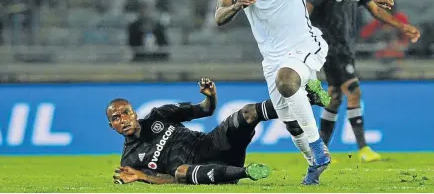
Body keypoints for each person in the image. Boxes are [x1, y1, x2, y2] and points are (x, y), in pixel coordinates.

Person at [215, 0, 395, 184]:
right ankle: (313, 163)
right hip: (272, 57)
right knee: (291, 123)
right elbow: (219, 16)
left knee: (287, 81)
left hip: (305, 44)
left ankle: (318, 147)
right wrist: (236, 6)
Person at [306, 0, 421, 162]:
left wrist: (402, 26)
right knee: (354, 90)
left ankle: (320, 151)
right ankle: (363, 148)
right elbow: (307, 9)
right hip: (330, 47)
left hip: (346, 47)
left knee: (335, 96)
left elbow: (375, 10)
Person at [110, 77, 333, 185]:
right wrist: (140, 176)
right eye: (116, 118)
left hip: (212, 143)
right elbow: (167, 181)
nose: (123, 119)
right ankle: (245, 173)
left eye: (126, 112)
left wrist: (210, 96)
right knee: (179, 172)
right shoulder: (129, 160)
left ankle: (306, 98)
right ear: (112, 126)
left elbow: (207, 110)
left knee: (247, 112)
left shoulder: (159, 115)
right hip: (204, 170)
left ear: (134, 113)